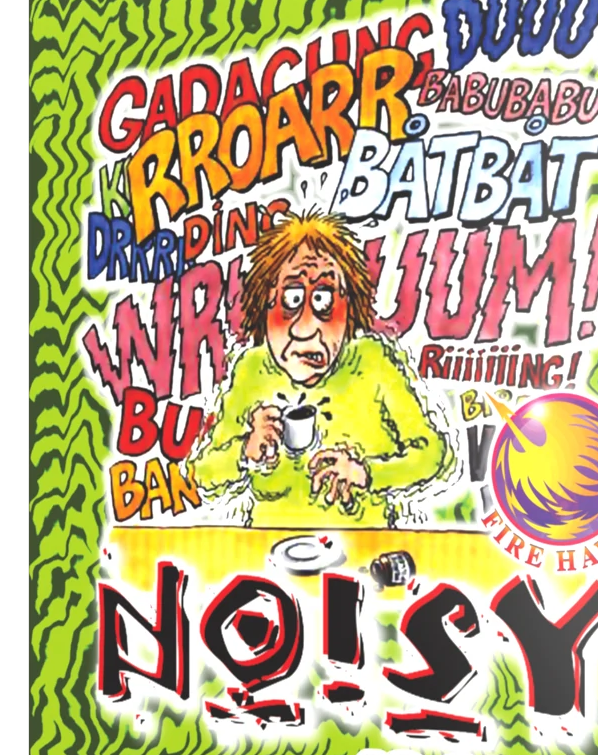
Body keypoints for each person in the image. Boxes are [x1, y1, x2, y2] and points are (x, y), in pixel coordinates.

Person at [190, 212, 451, 526]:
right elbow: (203, 474)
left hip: (364, 546)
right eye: (291, 299)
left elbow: (432, 453)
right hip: (270, 547)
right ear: (265, 304)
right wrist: (244, 451)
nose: (307, 327)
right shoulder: (252, 370)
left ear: (349, 307)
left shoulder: (373, 362)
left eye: (324, 300)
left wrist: (367, 473)